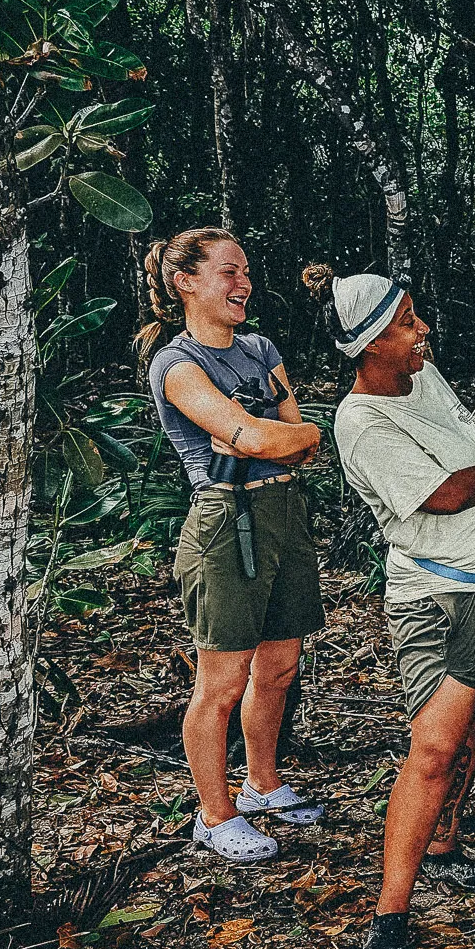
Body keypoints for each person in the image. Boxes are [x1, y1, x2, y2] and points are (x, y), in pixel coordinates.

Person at [309, 264, 475, 949]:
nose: (423, 330)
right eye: (406, 324)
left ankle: (444, 846)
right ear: (367, 346)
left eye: (416, 315)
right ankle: (390, 916)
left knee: (471, 726)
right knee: (433, 746)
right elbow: (446, 495)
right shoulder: (361, 421)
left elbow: (469, 449)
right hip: (438, 592)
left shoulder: (420, 377)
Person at [139, 227, 326, 863]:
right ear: (185, 283)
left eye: (245, 271)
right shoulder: (176, 365)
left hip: (284, 513)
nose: (244, 283)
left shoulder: (260, 349)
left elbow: (299, 437)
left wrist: (275, 435)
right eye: (228, 272)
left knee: (279, 666)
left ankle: (263, 785)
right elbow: (264, 436)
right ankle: (214, 816)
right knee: (221, 681)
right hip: (225, 522)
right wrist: (269, 434)